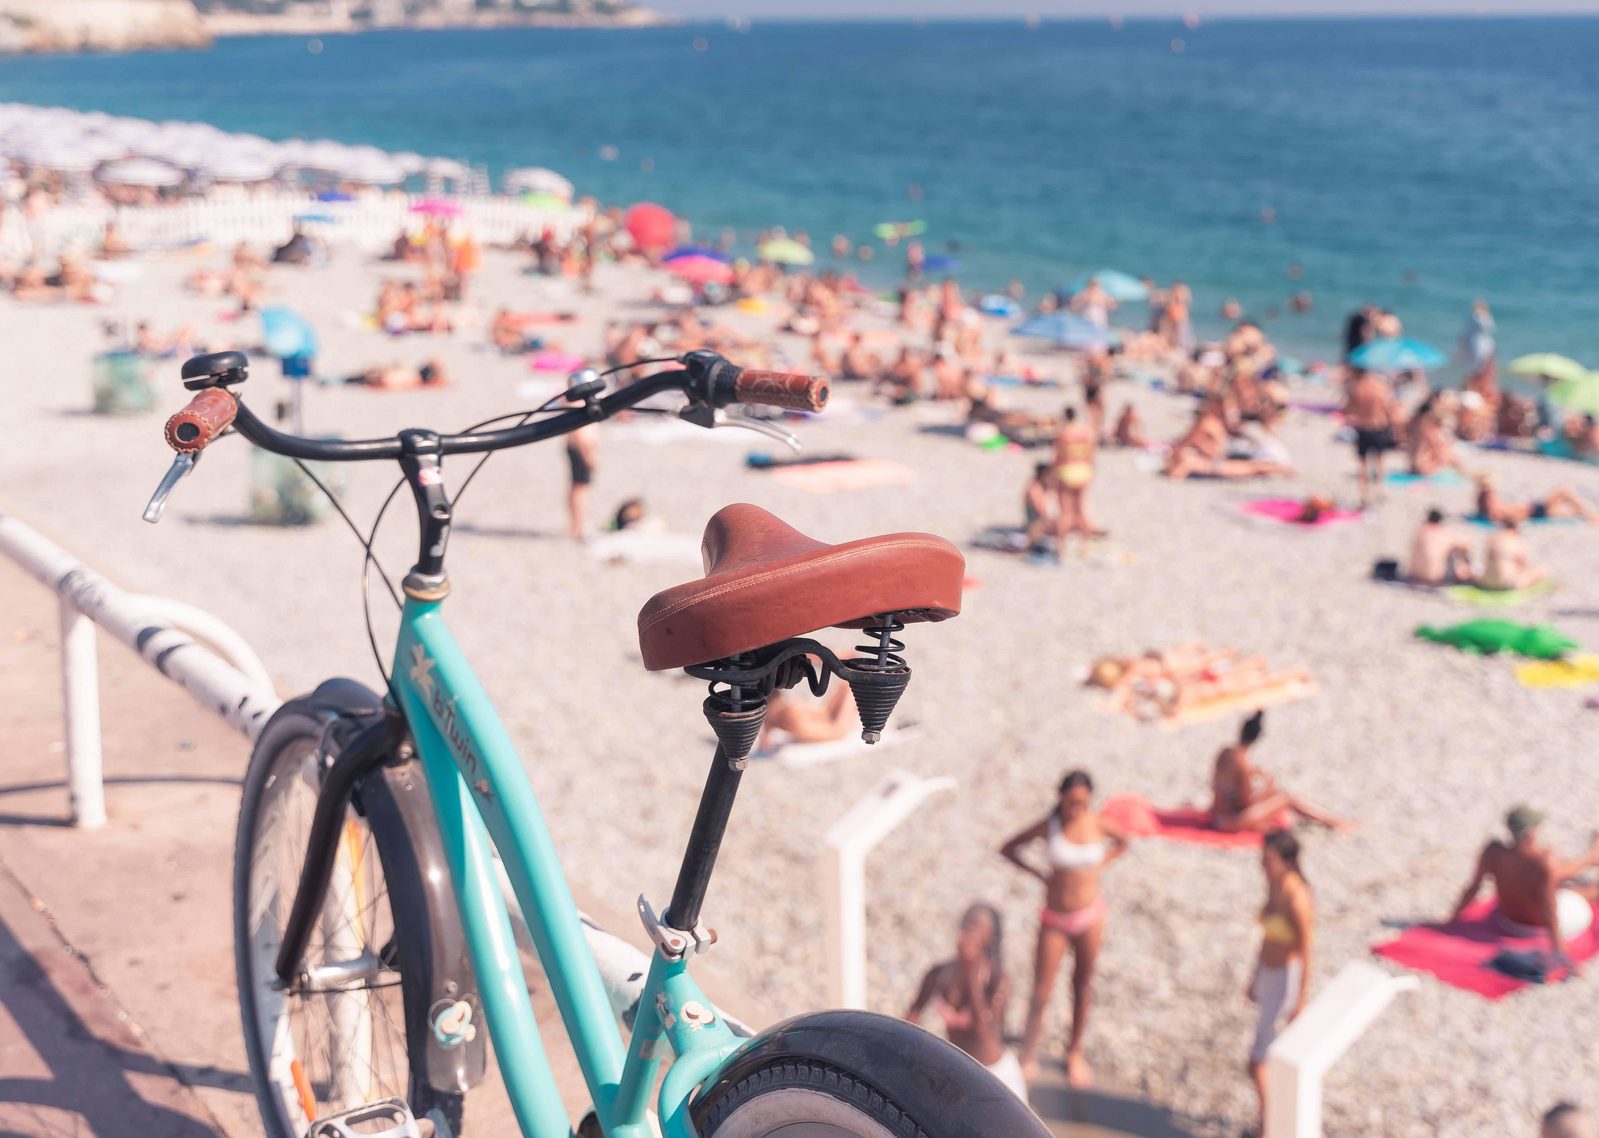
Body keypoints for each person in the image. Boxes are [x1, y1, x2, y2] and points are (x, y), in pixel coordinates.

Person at [1000, 770, 1128, 1088]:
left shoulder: (1096, 822)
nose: (1076, 809)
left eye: (1082, 803)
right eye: (1071, 803)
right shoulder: (1050, 826)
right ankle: (1029, 1053)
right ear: (1061, 798)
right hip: (1055, 917)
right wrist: (1038, 874)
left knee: (1082, 986)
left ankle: (1075, 1052)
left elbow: (1124, 840)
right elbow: (1009, 848)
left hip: (1090, 916)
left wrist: (1104, 864)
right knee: (1041, 990)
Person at [1450, 806, 1599, 973]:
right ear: (1531, 834)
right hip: (1538, 928)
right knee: (1589, 891)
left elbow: (1473, 888)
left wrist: (1452, 919)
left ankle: (1590, 858)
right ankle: (1592, 857)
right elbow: (1549, 911)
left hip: (1508, 922)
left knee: (1561, 879)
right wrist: (1561, 954)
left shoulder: (1493, 851)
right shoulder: (1542, 861)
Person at [905, 904, 1026, 1100]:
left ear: (991, 937)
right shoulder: (938, 974)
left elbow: (983, 1029)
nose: (970, 929)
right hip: (960, 1071)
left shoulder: (997, 979)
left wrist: (970, 971)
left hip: (996, 1074)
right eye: (967, 922)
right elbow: (913, 1014)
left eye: (977, 926)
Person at [1247, 830, 1314, 1132]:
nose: (1263, 865)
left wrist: (1301, 999)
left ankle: (1269, 1126)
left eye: (1269, 860)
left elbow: (1306, 951)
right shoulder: (1273, 884)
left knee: (1259, 1060)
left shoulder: (1297, 898)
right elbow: (1266, 934)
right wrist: (1255, 976)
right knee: (1271, 1056)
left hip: (1287, 978)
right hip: (1269, 974)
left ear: (1287, 862)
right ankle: (1272, 1122)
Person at [1212, 713, 1354, 833]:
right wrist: (1266, 786)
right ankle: (1333, 822)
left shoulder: (1225, 753)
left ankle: (1331, 821)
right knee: (1285, 798)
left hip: (1215, 815)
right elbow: (1246, 804)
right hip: (1230, 823)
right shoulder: (1244, 766)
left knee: (1275, 794)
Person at [1345, 368, 1400, 507]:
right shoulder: (1381, 387)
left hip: (1363, 428)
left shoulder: (1357, 388)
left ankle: (1365, 496)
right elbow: (1390, 409)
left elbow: (1348, 409)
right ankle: (1380, 490)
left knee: (1363, 464)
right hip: (1379, 427)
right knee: (1380, 461)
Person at [756, 683, 856, 751]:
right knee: (850, 687)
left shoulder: (778, 714)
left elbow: (765, 745)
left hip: (825, 715)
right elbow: (837, 732)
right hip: (826, 719)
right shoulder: (792, 718)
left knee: (847, 686)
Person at [1052, 406, 1101, 543]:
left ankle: (1061, 546)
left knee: (1065, 511)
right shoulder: (1087, 431)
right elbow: (1091, 454)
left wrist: (1053, 473)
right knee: (1081, 508)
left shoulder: (1063, 433)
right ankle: (1085, 545)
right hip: (1084, 470)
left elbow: (1057, 456)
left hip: (1066, 470)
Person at [1474, 474, 1598, 525]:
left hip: (1532, 511)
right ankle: (1589, 515)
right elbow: (1496, 516)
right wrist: (1523, 512)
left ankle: (1589, 516)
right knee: (1563, 492)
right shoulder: (1488, 499)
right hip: (1532, 511)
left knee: (1566, 512)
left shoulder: (1483, 497)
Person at [1407, 507, 1475, 585]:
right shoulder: (1443, 532)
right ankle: (1465, 573)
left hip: (1413, 575)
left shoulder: (1420, 530)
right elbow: (1467, 545)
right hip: (1434, 579)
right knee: (1457, 551)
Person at [1480, 519, 1546, 591]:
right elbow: (1522, 563)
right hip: (1506, 584)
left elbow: (1484, 560)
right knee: (1542, 571)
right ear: (1515, 528)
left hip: (1486, 582)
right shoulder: (1513, 538)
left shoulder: (1493, 538)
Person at [565, 423, 598, 540]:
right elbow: (578, 428)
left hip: (579, 447)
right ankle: (577, 527)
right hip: (580, 448)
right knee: (580, 488)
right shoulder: (577, 403)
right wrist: (588, 456)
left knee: (579, 487)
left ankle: (577, 526)